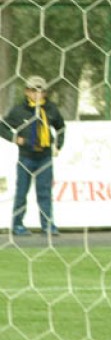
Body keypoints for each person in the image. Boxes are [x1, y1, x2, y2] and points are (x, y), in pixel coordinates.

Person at [1, 75, 65, 236]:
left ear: (45, 93)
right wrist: (15, 138)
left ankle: (47, 225)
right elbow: (2, 127)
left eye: (40, 91)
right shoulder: (19, 110)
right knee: (22, 191)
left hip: (45, 157)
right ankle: (17, 224)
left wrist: (57, 145)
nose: (37, 94)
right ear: (26, 92)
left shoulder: (51, 109)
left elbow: (61, 127)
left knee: (44, 192)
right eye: (33, 90)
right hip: (26, 157)